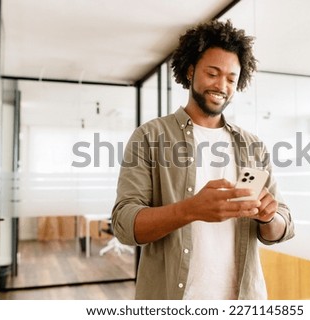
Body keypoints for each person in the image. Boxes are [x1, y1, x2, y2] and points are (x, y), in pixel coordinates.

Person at [112, 19, 295, 300]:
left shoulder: (253, 145)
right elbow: (124, 224)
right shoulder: (150, 136)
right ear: (190, 70)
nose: (222, 85)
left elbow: (283, 224)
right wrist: (191, 210)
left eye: (231, 79)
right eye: (213, 73)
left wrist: (268, 218)